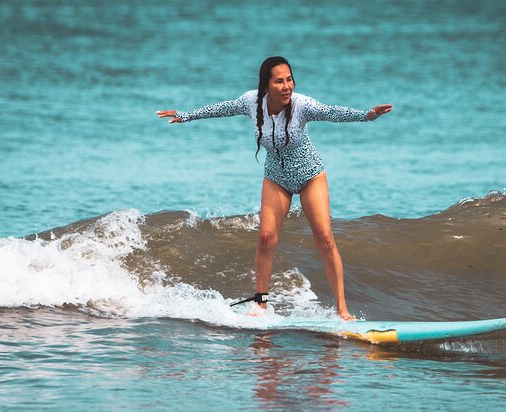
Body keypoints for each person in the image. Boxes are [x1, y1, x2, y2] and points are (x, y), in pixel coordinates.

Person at [157, 56, 392, 320]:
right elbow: (223, 108)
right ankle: (261, 303)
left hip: (310, 175)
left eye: (289, 79)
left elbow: (331, 112)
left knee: (325, 238)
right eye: (279, 81)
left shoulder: (303, 105)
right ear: (266, 85)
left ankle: (342, 309)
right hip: (275, 177)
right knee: (266, 238)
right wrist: (186, 116)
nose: (286, 86)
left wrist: (367, 116)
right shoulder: (251, 102)